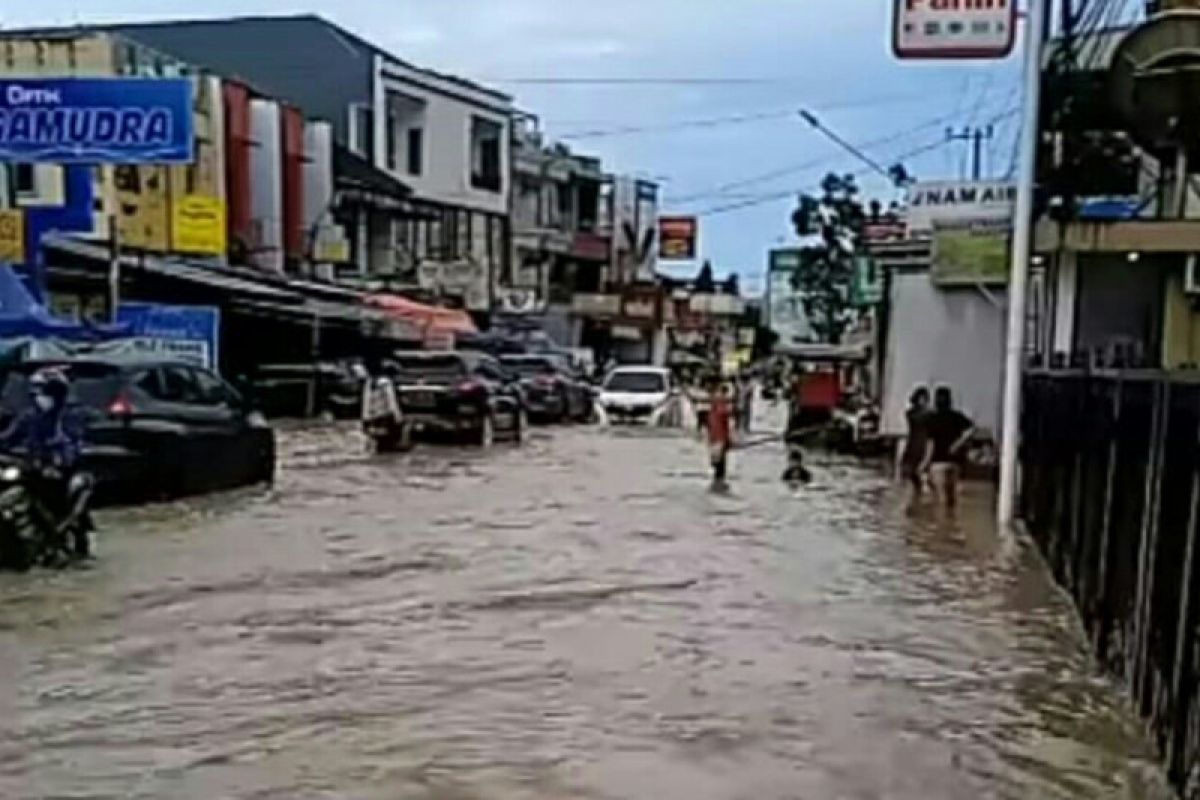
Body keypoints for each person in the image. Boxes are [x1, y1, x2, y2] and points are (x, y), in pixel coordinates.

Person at [0, 368, 92, 557]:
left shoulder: (68, 416)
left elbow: (72, 443)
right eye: (37, 392)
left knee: (55, 494)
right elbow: (8, 437)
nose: (40, 397)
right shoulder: (30, 416)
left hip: (60, 471)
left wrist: (58, 461)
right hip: (33, 467)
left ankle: (57, 536)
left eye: (44, 392)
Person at [919, 386, 976, 509]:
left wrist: (924, 464)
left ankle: (943, 525)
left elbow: (931, 445)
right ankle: (953, 523)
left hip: (937, 463)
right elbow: (972, 429)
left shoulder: (931, 419)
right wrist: (958, 443)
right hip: (955, 463)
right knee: (953, 498)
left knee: (941, 499)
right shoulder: (957, 416)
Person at [899, 386, 931, 500]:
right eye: (922, 399)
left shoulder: (926, 414)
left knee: (918, 476)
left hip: (922, 446)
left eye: (925, 399)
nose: (923, 401)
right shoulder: (912, 414)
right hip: (914, 445)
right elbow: (918, 418)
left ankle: (916, 498)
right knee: (909, 474)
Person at [706, 380, 734, 490]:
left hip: (716, 436)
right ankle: (718, 481)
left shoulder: (715, 406)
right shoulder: (721, 406)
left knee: (718, 460)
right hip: (719, 437)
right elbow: (724, 420)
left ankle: (718, 481)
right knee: (720, 461)